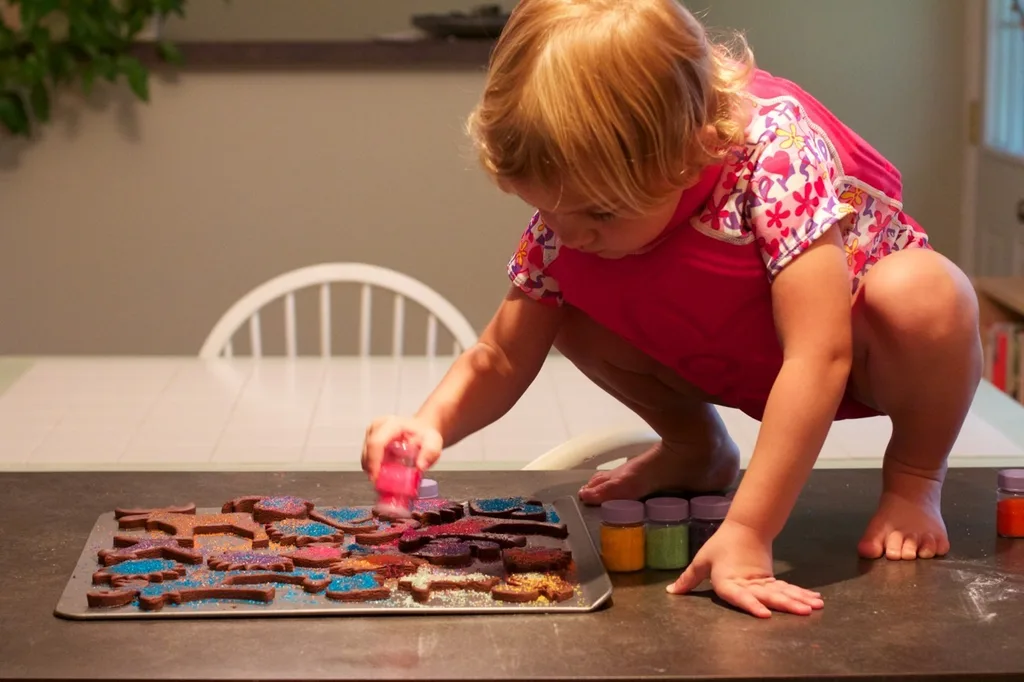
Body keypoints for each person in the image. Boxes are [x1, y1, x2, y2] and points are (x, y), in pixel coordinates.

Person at [361, 0, 982, 618]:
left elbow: (821, 355)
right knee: (557, 301)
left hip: (852, 345)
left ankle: (914, 480)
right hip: (726, 346)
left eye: (600, 212)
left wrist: (748, 531)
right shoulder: (574, 221)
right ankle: (696, 448)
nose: (570, 233)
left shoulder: (779, 157)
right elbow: (499, 354)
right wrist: (429, 425)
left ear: (695, 152)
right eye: (548, 209)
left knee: (929, 295)